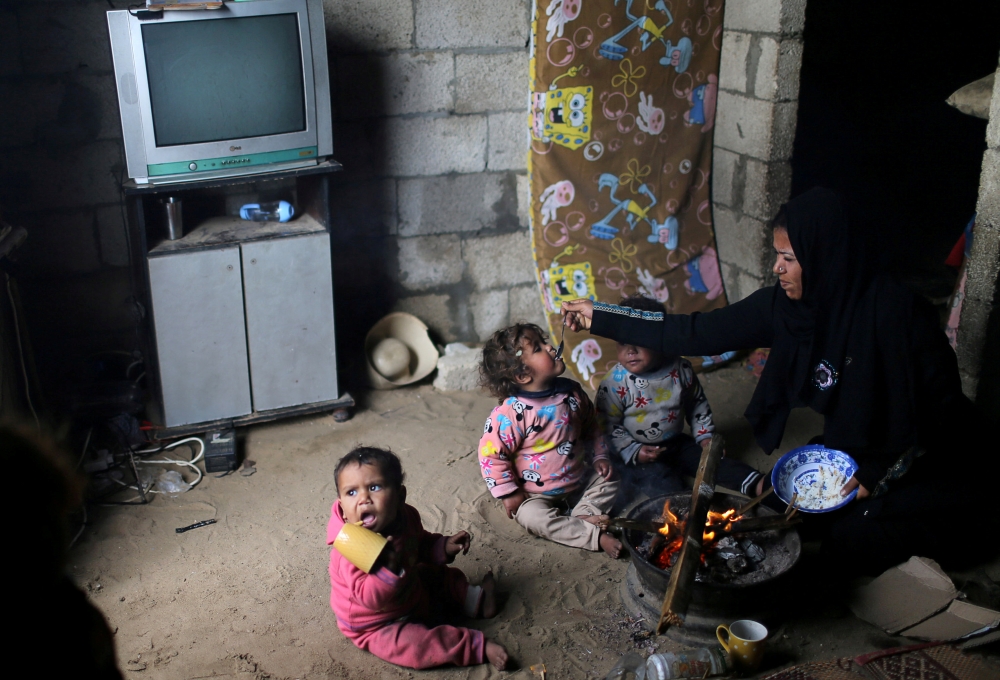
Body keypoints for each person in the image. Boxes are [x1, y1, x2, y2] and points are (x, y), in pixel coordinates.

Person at [562, 187, 991, 576]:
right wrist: (602, 315)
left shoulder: (898, 314)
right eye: (776, 255)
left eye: (789, 258)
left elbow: (941, 408)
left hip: (928, 457)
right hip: (857, 447)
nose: (777, 268)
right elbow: (692, 331)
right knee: (788, 508)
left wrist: (878, 470)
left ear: (825, 255)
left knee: (849, 545)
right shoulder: (787, 308)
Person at [326, 446, 508, 671]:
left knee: (440, 577)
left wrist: (443, 545)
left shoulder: (406, 517)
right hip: (377, 622)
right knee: (417, 647)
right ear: (342, 507)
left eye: (374, 487)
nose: (363, 499)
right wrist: (388, 571)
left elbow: (418, 544)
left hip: (411, 590)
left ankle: (478, 600)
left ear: (400, 496)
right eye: (351, 492)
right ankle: (475, 646)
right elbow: (370, 600)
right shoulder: (350, 547)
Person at [597, 294, 766, 505]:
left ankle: (759, 485)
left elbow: (696, 404)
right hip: (638, 451)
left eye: (639, 340)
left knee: (714, 462)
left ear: (660, 337)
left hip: (676, 442)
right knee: (666, 486)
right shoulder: (615, 382)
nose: (630, 350)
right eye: (622, 342)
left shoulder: (680, 369)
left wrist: (704, 435)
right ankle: (689, 512)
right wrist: (633, 450)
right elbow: (606, 424)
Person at [477, 323, 622, 557]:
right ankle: (592, 534)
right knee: (531, 518)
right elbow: (491, 455)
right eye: (538, 348)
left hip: (578, 480)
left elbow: (591, 427)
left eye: (543, 341)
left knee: (611, 476)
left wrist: (600, 456)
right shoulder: (511, 414)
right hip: (534, 494)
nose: (550, 347)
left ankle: (583, 513)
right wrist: (508, 492)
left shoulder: (572, 393)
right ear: (522, 375)